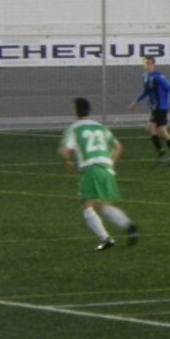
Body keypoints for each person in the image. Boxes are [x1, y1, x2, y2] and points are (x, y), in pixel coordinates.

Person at [59, 97, 139, 251]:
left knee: (87, 205)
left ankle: (105, 238)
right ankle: (129, 226)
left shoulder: (74, 128)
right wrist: (110, 165)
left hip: (90, 168)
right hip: (106, 169)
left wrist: (66, 161)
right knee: (105, 205)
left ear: (76, 110)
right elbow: (118, 147)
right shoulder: (100, 126)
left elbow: (64, 150)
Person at [128, 56, 170, 165]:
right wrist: (136, 101)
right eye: (145, 63)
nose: (146, 65)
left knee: (150, 128)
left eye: (149, 63)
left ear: (153, 64)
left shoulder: (158, 76)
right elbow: (146, 92)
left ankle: (162, 155)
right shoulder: (144, 77)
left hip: (161, 107)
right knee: (162, 132)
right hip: (155, 107)